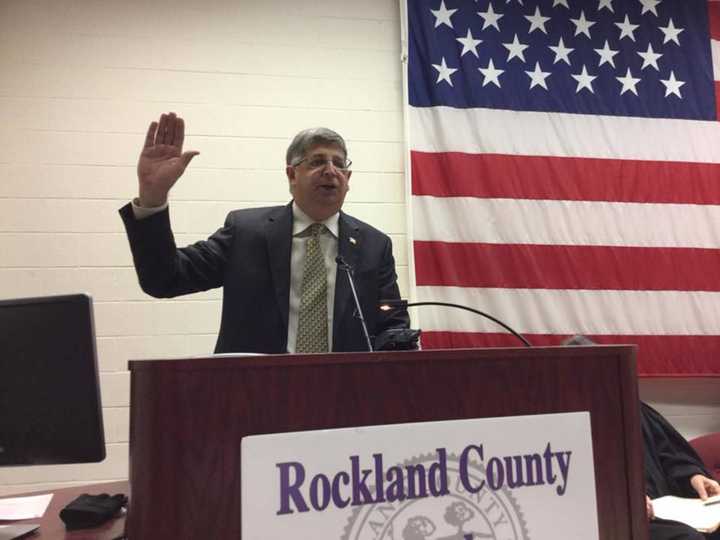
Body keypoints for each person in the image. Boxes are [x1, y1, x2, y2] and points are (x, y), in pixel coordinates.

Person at [119, 112, 408, 354]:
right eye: (318, 161)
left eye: (339, 164)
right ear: (291, 175)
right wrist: (152, 199)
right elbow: (164, 279)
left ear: (348, 179)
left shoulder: (374, 245)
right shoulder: (245, 232)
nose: (331, 170)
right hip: (255, 396)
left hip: (345, 399)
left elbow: (393, 327)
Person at [562, 335, 720, 539]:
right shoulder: (564, 424)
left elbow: (670, 455)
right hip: (616, 519)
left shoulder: (633, 409)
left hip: (665, 509)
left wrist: (692, 477)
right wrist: (624, 503)